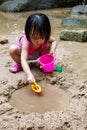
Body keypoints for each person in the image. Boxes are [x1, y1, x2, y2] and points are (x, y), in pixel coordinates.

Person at [9, 13, 57, 84]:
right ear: (28, 34)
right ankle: (20, 65)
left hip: (39, 53)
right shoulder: (26, 42)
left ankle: (43, 62)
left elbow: (54, 41)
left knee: (48, 45)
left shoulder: (45, 37)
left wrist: (52, 50)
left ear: (46, 33)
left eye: (42, 37)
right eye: (35, 38)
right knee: (12, 49)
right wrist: (29, 75)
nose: (38, 41)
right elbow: (24, 59)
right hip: (25, 54)